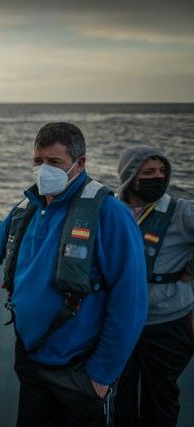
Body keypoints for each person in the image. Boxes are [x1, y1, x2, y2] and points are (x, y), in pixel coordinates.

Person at [0, 122, 148, 427]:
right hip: (30, 361)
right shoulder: (26, 208)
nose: (43, 170)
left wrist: (101, 375)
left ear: (81, 164)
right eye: (38, 161)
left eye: (54, 163)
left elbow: (130, 301)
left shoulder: (109, 214)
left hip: (80, 369)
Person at [113, 145, 194, 427]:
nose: (158, 177)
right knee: (117, 399)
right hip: (120, 323)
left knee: (160, 402)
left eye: (162, 171)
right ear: (131, 177)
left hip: (167, 324)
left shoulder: (181, 211)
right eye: (149, 172)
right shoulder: (113, 211)